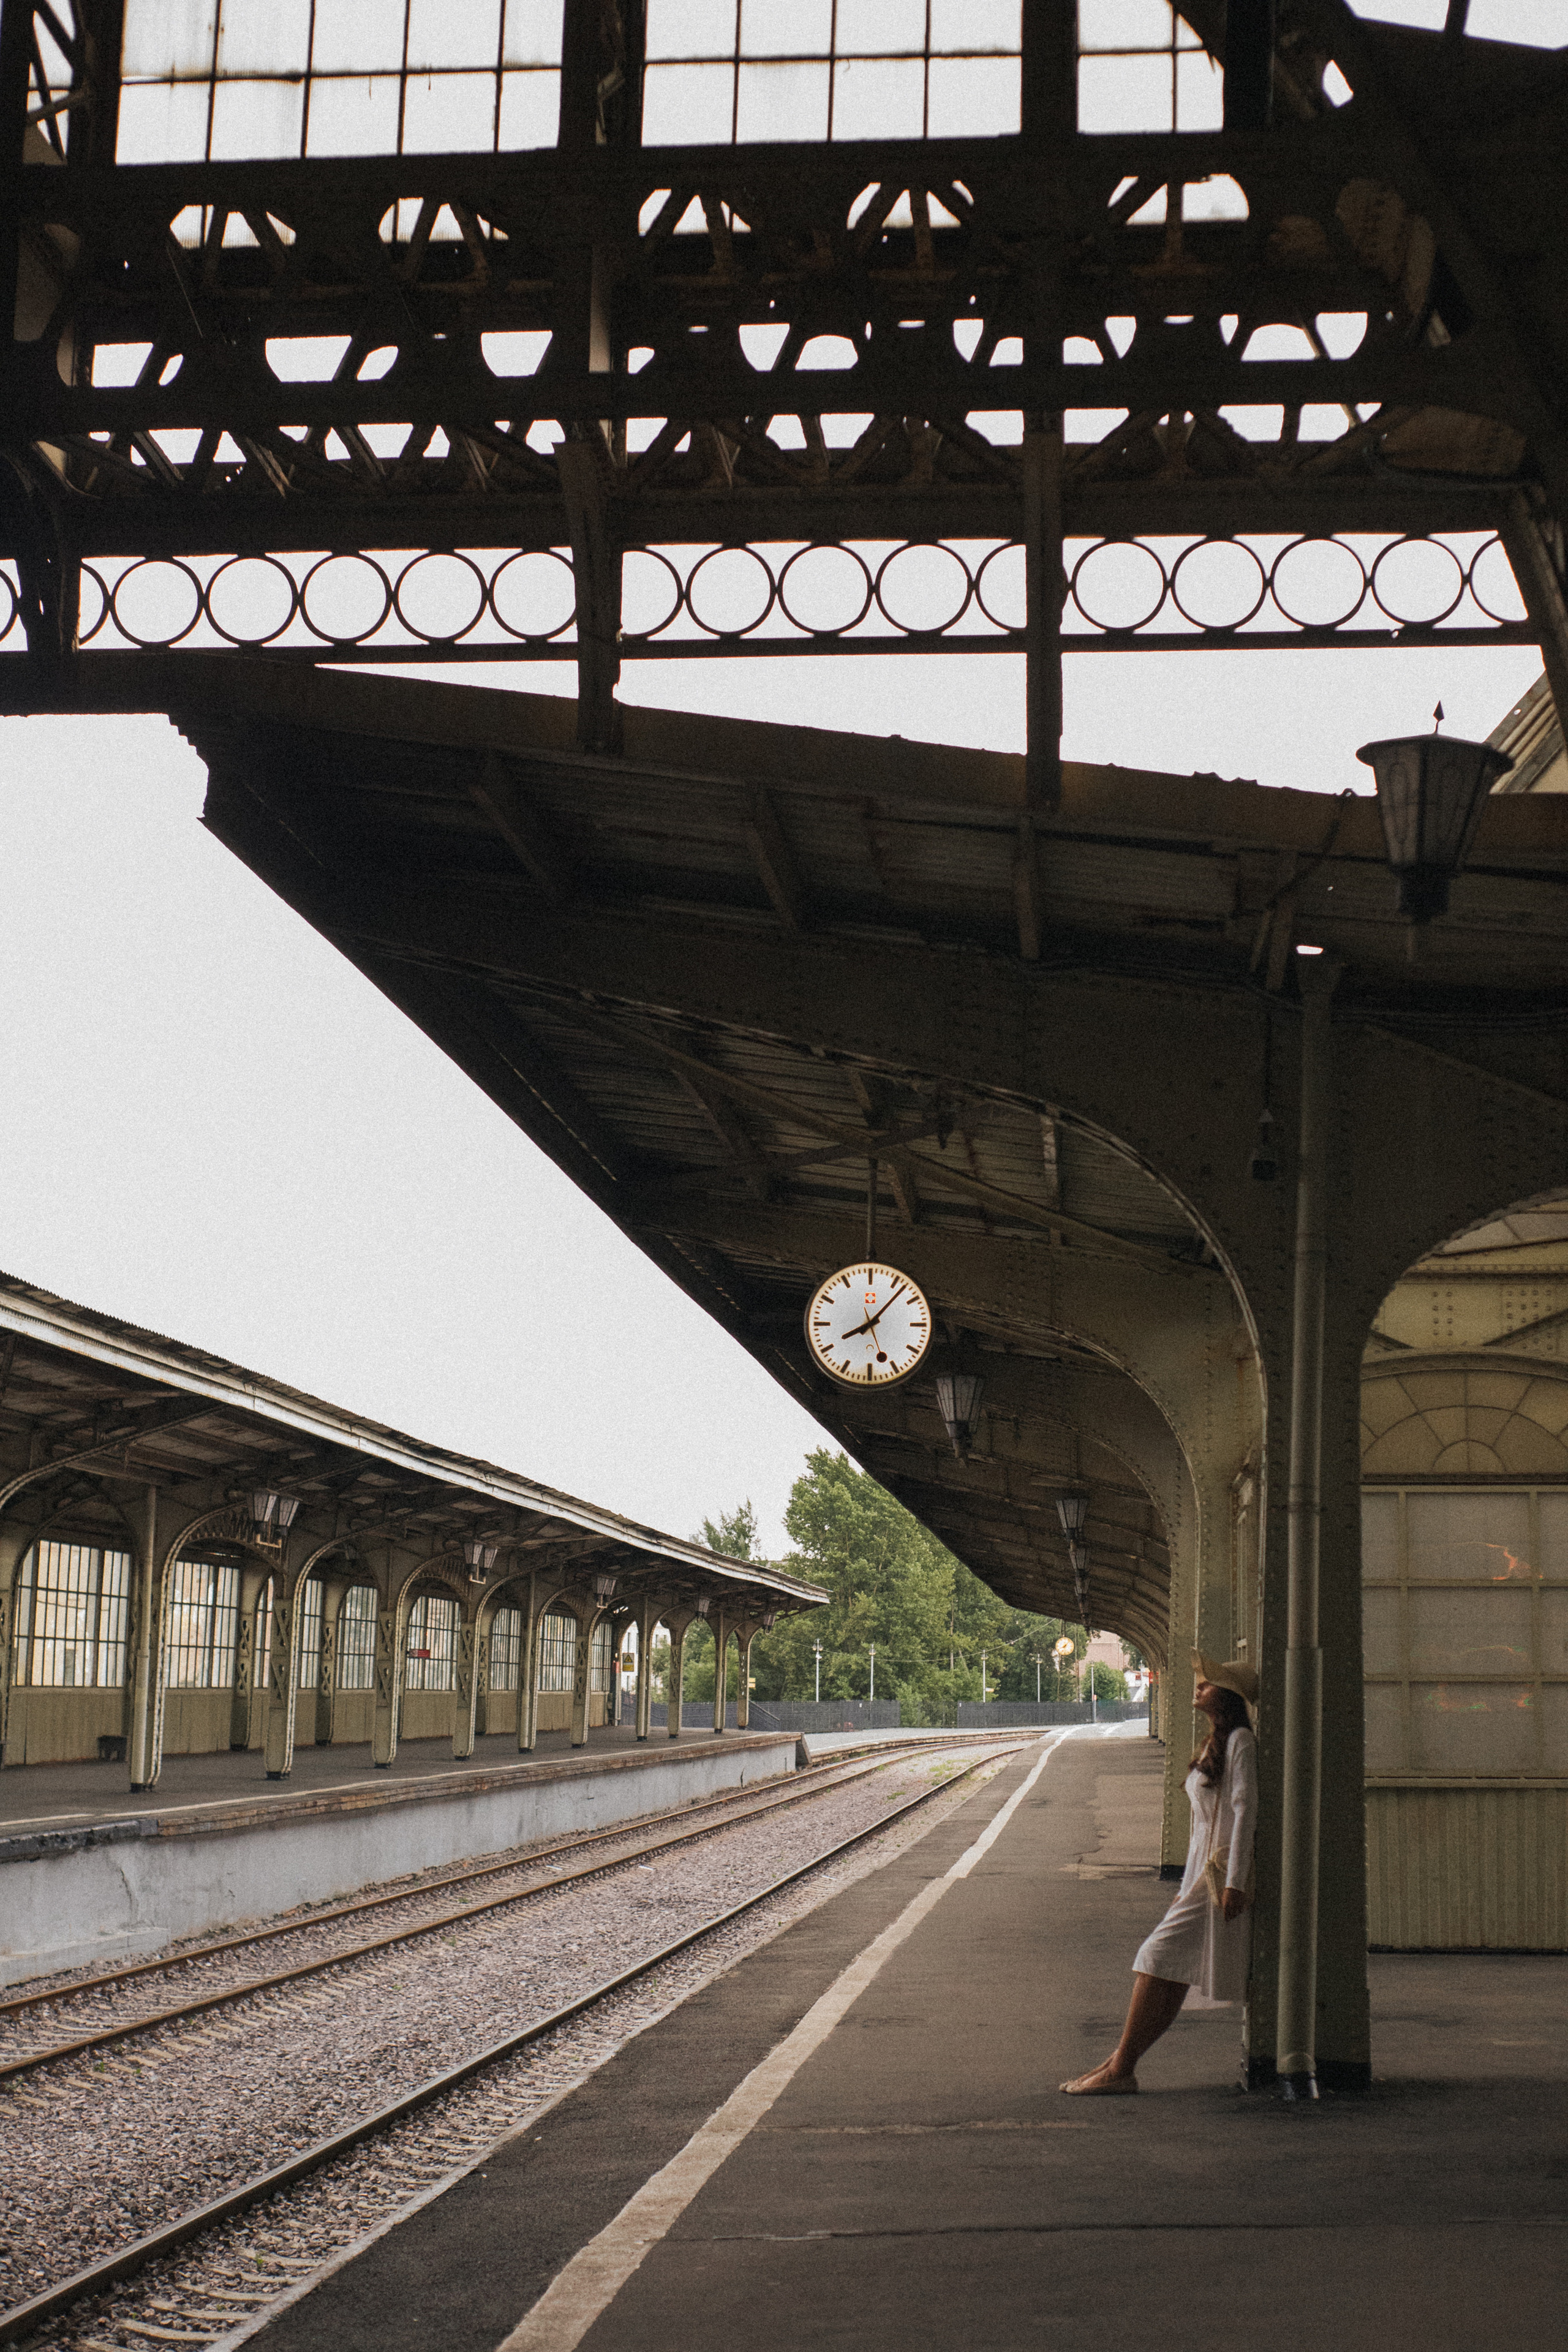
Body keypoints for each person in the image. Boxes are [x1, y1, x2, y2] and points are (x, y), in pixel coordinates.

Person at [1060, 1650, 1259, 2095]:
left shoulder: (1241, 1741)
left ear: (1227, 1696)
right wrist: (1186, 1885)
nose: (1199, 1687)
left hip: (1219, 1878)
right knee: (1168, 1968)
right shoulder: (1216, 1742)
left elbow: (1245, 1814)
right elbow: (1201, 1827)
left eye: (1208, 1683)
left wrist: (1235, 1883)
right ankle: (1119, 2063)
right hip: (1201, 1880)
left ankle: (1121, 2068)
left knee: (1155, 1958)